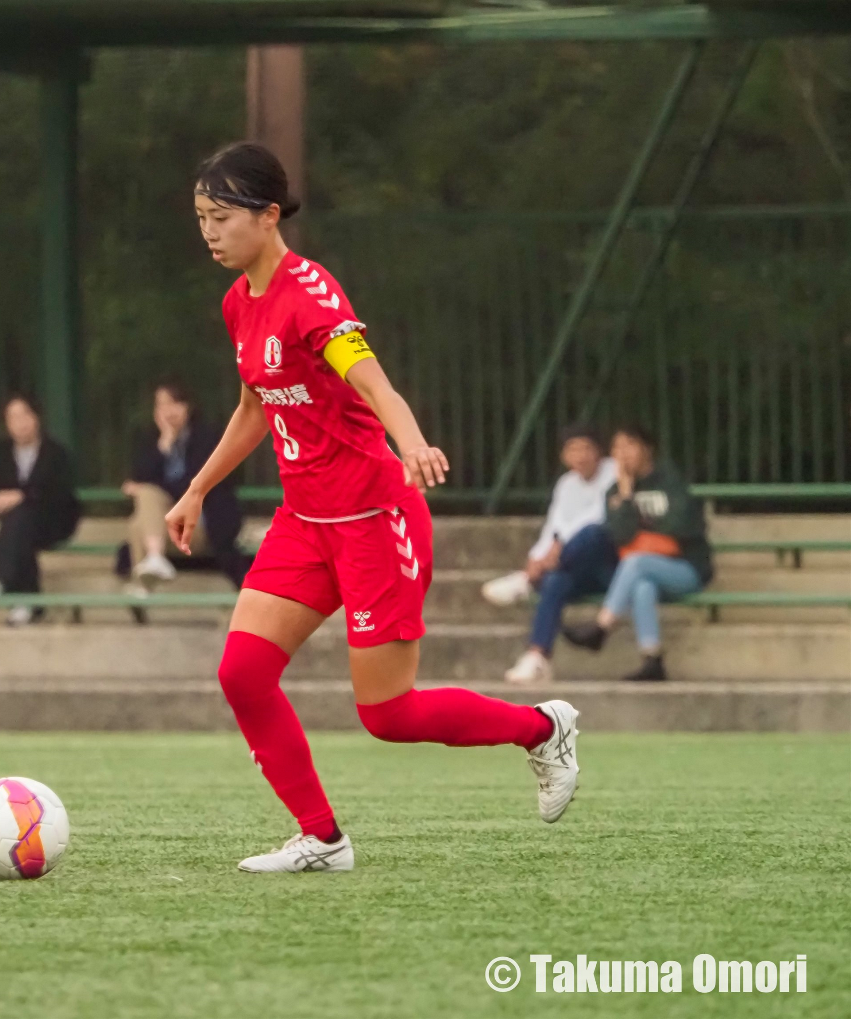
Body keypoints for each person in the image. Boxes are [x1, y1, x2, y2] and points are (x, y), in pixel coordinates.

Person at [165, 141, 580, 874]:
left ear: (268, 215)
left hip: (374, 520)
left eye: (222, 216)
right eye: (201, 217)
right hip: (304, 522)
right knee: (242, 674)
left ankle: (540, 727)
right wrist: (197, 486)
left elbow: (372, 381)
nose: (209, 231)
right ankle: (321, 837)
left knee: (387, 714)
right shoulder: (238, 303)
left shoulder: (312, 294)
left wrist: (413, 442)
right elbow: (255, 407)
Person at [561, 424, 713, 681]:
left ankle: (601, 627)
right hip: (645, 568)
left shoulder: (671, 482)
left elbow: (683, 526)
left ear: (647, 449)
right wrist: (627, 495)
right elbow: (620, 534)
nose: (623, 453)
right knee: (642, 585)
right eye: (617, 448)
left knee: (635, 563)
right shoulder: (615, 492)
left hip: (686, 568)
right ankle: (652, 659)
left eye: (629, 445)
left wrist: (647, 530)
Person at [495, 425, 619, 685]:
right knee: (555, 581)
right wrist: (536, 558)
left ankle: (528, 583)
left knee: (594, 532)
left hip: (611, 568)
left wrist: (558, 549)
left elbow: (599, 516)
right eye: (573, 450)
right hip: (575, 568)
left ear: (599, 452)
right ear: (564, 456)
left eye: (586, 448)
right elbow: (555, 524)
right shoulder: (566, 484)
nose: (580, 456)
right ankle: (537, 657)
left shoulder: (614, 473)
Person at [123, 381, 250, 590]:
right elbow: (141, 475)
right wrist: (164, 445)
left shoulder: (207, 439)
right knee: (141, 512)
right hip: (164, 527)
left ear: (187, 407)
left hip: (198, 526)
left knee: (143, 506)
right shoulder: (151, 440)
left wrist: (145, 486)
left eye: (174, 404)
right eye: (161, 405)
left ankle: (143, 587)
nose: (168, 412)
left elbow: (192, 486)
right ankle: (154, 560)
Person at [0, 395, 80, 627]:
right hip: (17, 526)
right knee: (19, 522)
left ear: (36, 418)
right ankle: (28, 604)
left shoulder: (55, 453)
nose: (20, 422)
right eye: (13, 417)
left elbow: (60, 494)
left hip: (52, 521)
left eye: (25, 415)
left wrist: (23, 495)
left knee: (21, 515)